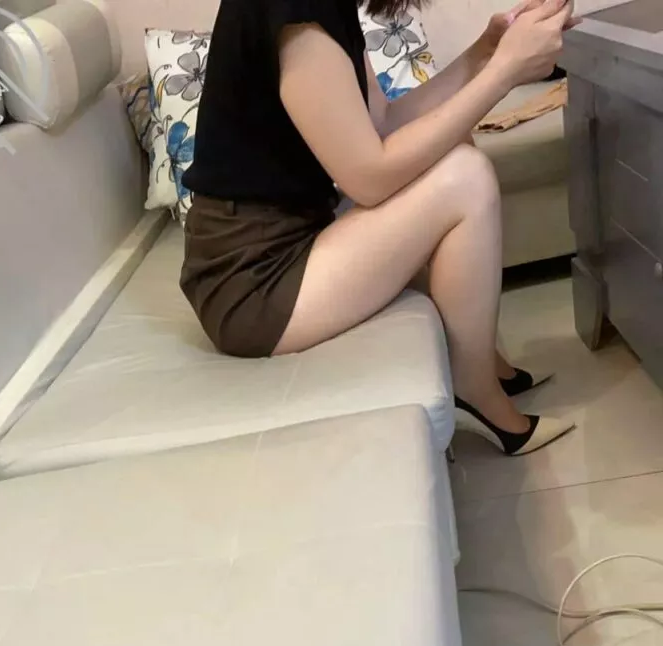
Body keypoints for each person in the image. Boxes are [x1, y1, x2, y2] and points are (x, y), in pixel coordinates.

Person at [181, 0, 578, 456]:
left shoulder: (324, 7)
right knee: (463, 177)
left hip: (287, 240)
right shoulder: (296, 10)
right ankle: (474, 391)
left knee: (453, 148)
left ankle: (480, 361)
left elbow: (383, 123)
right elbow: (368, 178)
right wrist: (504, 72)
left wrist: (484, 54)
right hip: (252, 282)